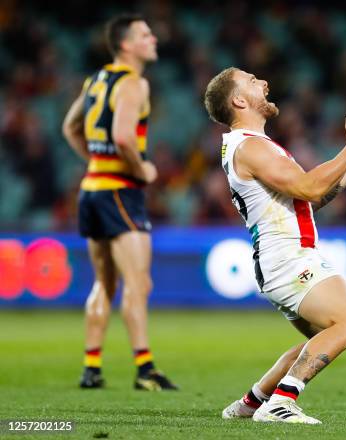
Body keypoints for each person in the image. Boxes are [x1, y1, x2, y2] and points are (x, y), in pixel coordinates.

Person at [204, 67, 346, 424]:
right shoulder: (250, 146)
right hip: (286, 257)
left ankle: (252, 402)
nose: (264, 82)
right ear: (238, 100)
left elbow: (312, 199)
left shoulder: (252, 147)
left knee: (327, 335)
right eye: (252, 81)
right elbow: (311, 188)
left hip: (280, 258)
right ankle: (281, 402)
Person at [62, 14, 177, 390]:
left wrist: (96, 163)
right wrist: (141, 169)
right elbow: (124, 137)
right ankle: (145, 369)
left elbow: (70, 127)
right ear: (127, 44)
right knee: (138, 282)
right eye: (145, 34)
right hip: (119, 193)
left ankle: (90, 367)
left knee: (103, 283)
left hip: (92, 188)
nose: (154, 38)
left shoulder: (95, 80)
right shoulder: (134, 84)